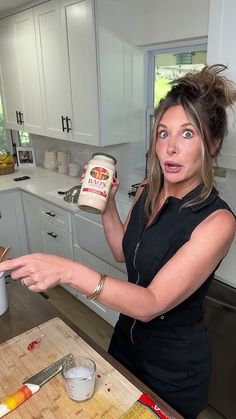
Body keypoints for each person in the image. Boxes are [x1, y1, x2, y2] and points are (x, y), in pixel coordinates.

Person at [0, 64, 235, 418]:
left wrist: (66, 270)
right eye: (163, 133)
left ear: (212, 144)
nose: (169, 148)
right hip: (126, 342)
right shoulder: (147, 192)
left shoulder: (217, 221)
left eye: (188, 135)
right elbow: (121, 250)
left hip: (174, 369)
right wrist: (108, 205)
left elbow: (151, 302)